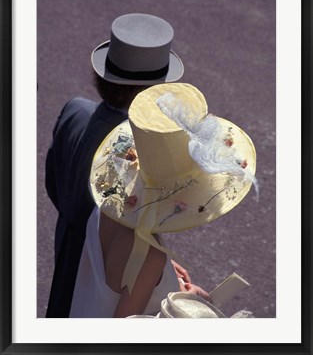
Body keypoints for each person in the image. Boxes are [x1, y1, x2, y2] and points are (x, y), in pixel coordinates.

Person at [69, 82, 257, 318]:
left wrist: (165, 278)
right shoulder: (149, 257)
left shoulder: (110, 205)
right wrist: (184, 308)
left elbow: (114, 277)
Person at [45, 13, 185, 318]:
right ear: (154, 91)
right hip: (105, 267)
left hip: (69, 240)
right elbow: (132, 220)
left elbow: (53, 183)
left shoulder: (75, 110)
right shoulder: (136, 150)